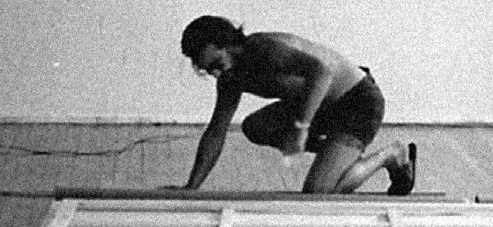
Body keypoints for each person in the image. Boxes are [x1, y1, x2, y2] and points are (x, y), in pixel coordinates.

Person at [177, 15, 416, 195]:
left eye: (218, 63)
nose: (218, 74)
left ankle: (391, 155)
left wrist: (301, 127)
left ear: (230, 44)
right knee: (256, 127)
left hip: (357, 102)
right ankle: (337, 154)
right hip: (320, 106)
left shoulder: (264, 49)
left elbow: (322, 73)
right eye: (210, 71)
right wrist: (191, 187)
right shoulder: (230, 78)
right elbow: (216, 131)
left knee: (319, 191)